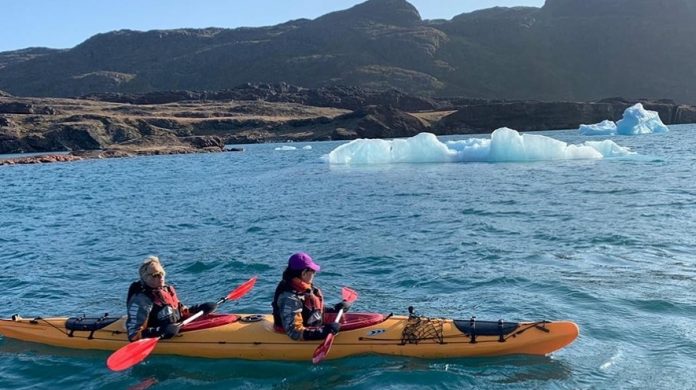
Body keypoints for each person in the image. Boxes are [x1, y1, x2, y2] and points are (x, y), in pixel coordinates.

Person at [126, 256, 218, 341]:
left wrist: (198, 309)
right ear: (145, 277)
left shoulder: (167, 290)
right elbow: (134, 335)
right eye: (155, 275)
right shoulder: (141, 299)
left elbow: (180, 311)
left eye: (162, 273)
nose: (161, 277)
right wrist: (160, 331)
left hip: (175, 327)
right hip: (161, 332)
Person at [272, 252, 351, 341]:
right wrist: (322, 332)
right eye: (313, 271)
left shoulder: (304, 287)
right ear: (304, 273)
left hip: (311, 326)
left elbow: (308, 310)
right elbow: (294, 332)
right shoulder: (289, 298)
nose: (315, 274)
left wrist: (334, 310)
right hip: (292, 334)